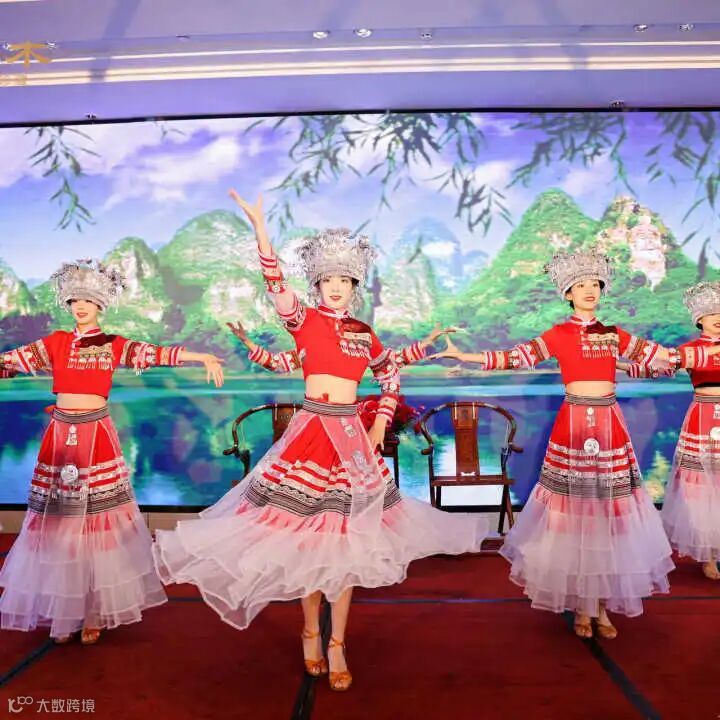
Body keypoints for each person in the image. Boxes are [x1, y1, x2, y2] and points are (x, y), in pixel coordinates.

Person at [153, 193, 487, 691]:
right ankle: (311, 630)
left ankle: (338, 643)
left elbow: (390, 373)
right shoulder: (303, 321)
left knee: (347, 543)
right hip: (310, 434)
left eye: (344, 281)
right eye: (328, 279)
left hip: (350, 438)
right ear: (317, 284)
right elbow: (274, 284)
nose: (335, 287)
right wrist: (260, 227)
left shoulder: (365, 333)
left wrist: (381, 422)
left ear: (355, 287)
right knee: (308, 541)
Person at [432, 249, 720, 639]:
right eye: (580, 285)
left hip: (609, 426)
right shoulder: (559, 334)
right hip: (574, 427)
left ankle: (601, 606)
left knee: (608, 515)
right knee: (576, 515)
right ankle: (584, 605)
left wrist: (705, 349)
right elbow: (516, 357)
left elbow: (664, 358)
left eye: (594, 284)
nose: (589, 290)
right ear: (568, 294)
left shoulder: (613, 333)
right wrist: (465, 355)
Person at [0, 259, 224, 644]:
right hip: (61, 438)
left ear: (100, 304)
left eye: (88, 300)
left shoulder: (111, 344)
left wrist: (200, 357)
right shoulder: (55, 342)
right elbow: (9, 362)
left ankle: (94, 610)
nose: (81, 306)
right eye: (75, 300)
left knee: (96, 524)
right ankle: (65, 609)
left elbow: (155, 354)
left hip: (97, 437)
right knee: (61, 522)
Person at [625, 281, 720, 580]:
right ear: (699, 319)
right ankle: (708, 555)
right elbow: (657, 367)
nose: (717, 317)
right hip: (703, 416)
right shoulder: (689, 350)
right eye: (711, 313)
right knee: (703, 486)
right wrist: (616, 365)